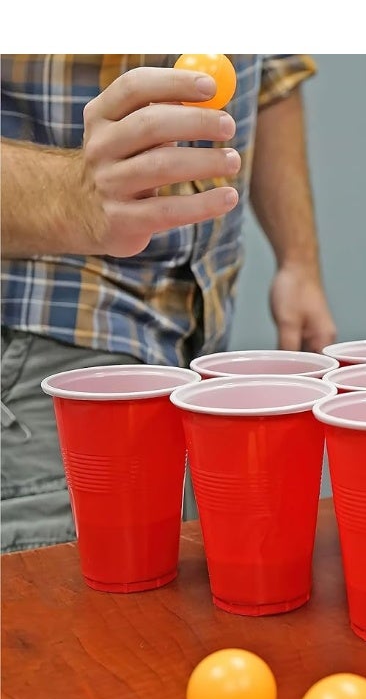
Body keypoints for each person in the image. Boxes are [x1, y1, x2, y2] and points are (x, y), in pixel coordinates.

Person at [1, 54, 337, 553]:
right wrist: (74, 193)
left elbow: (272, 76)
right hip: (45, 347)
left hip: (198, 351)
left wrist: (299, 261)